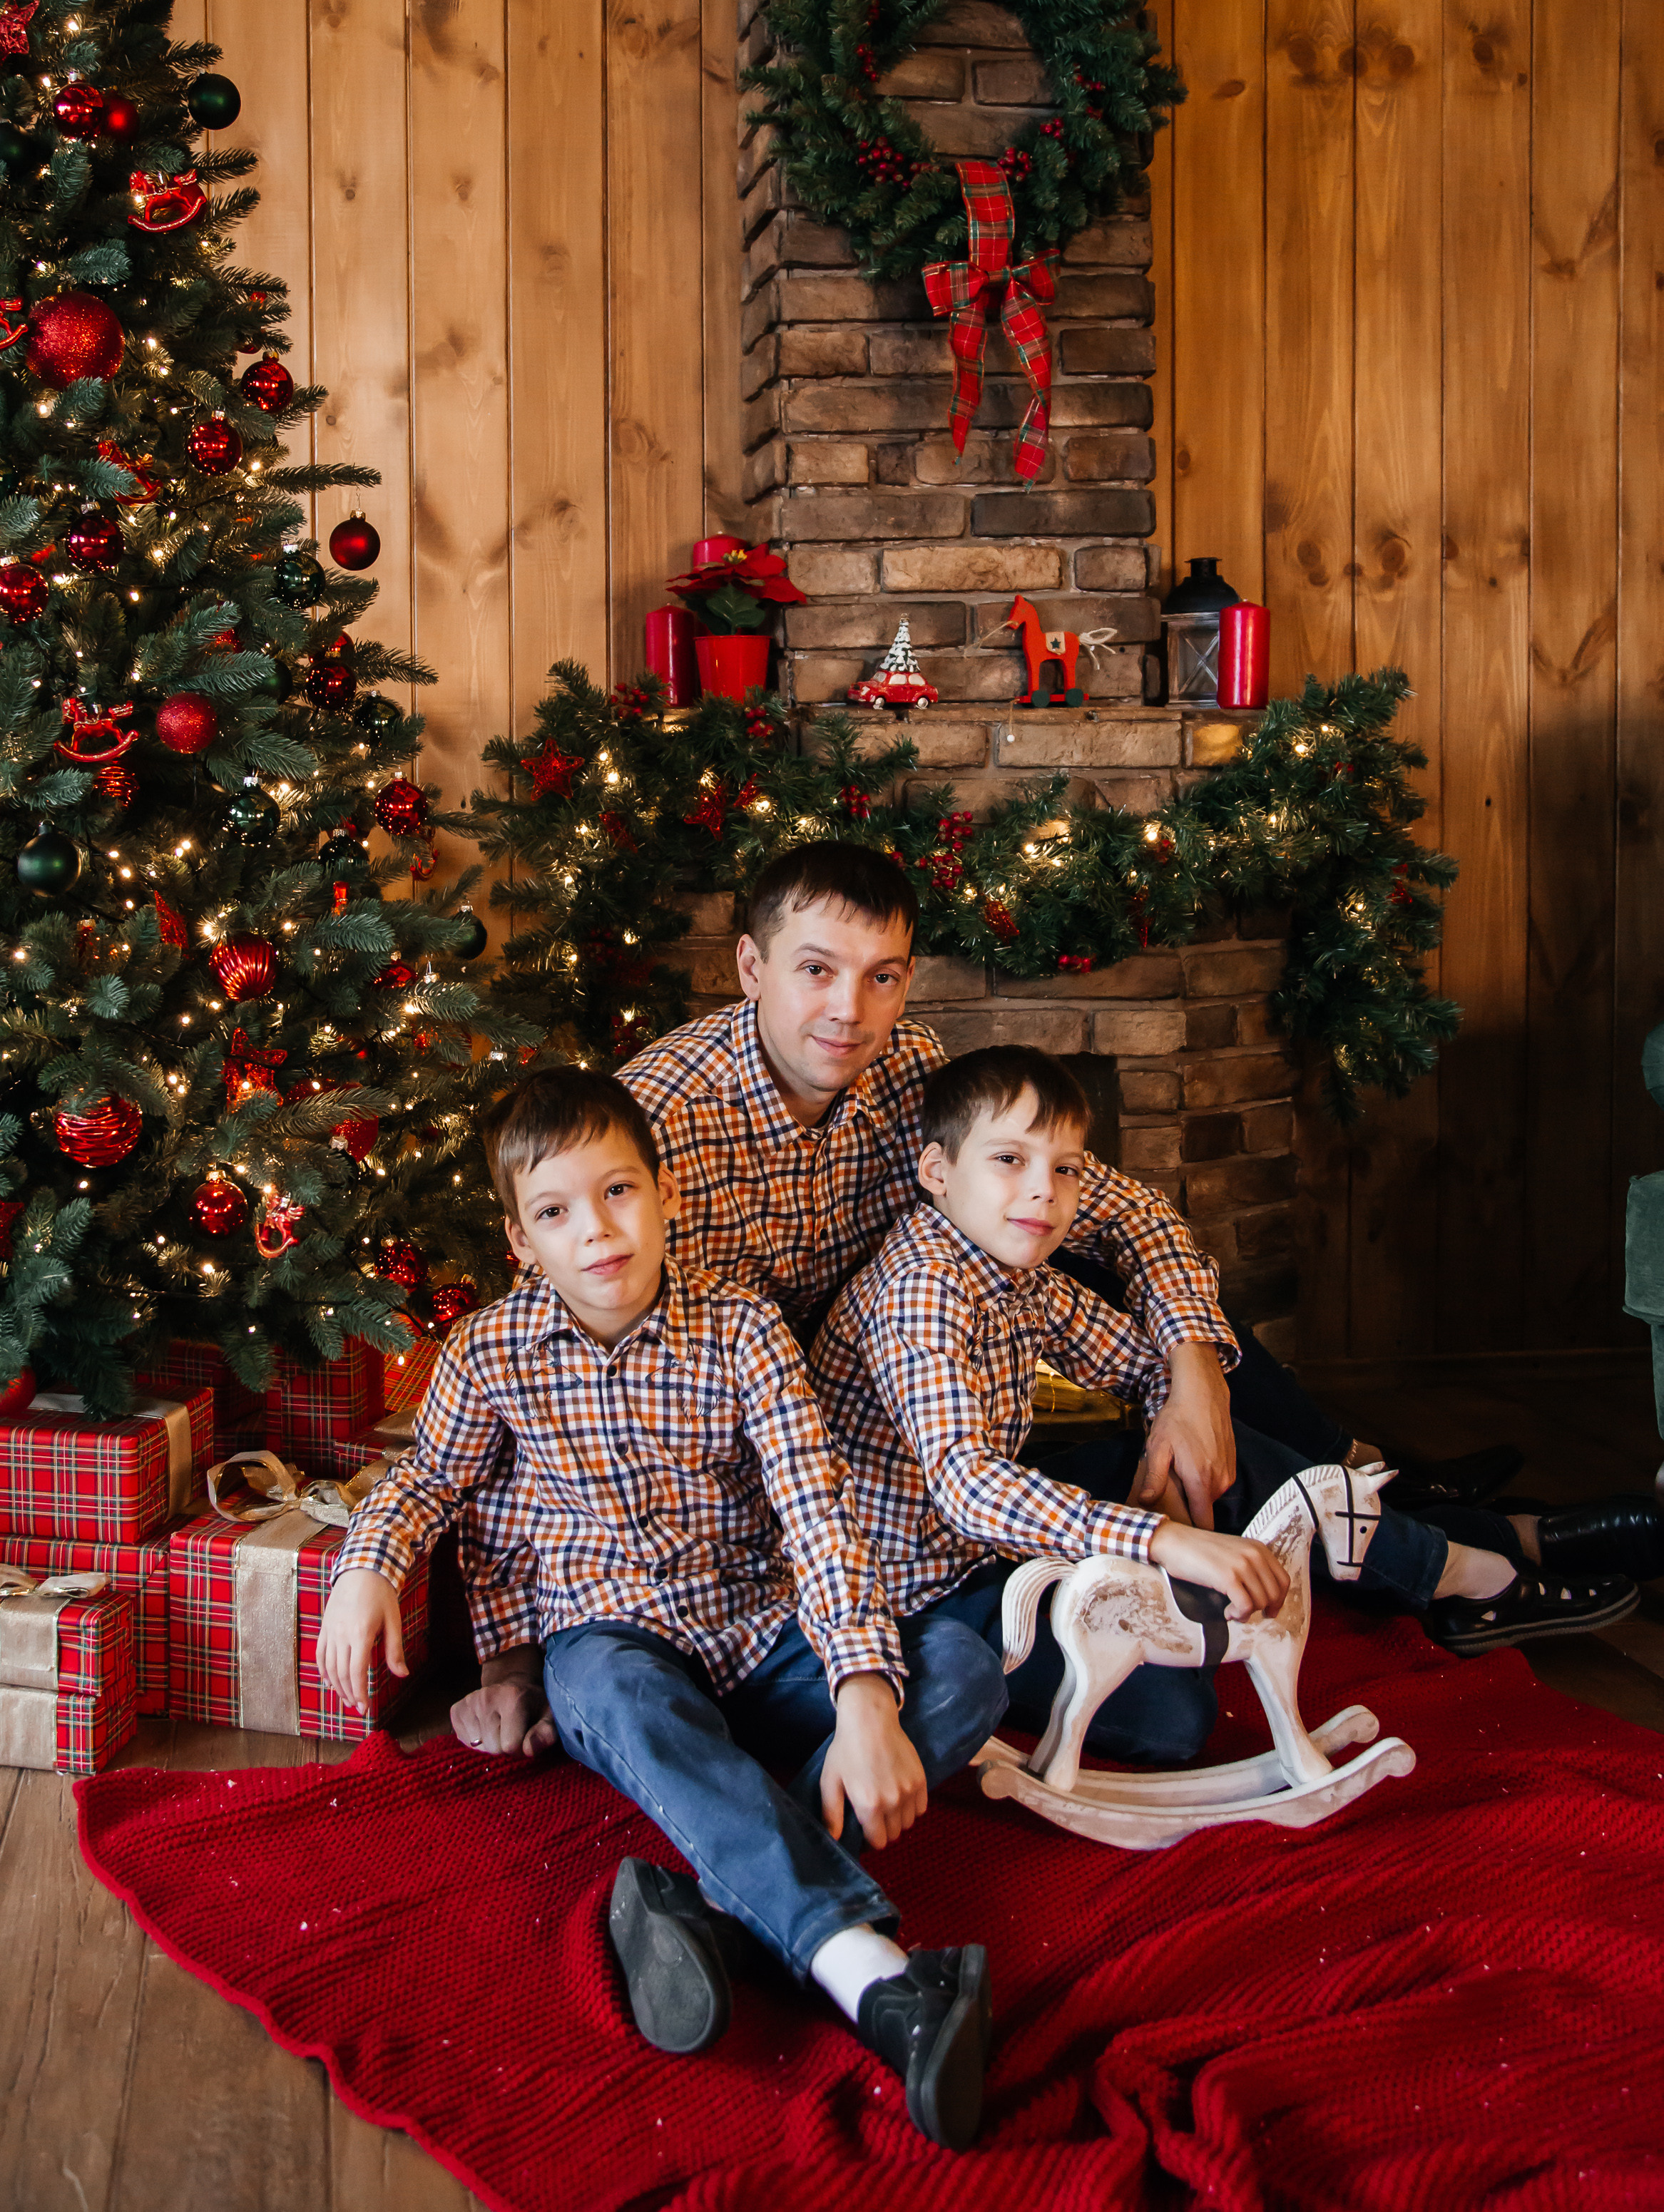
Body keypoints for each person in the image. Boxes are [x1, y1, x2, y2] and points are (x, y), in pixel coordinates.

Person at [450, 843, 1519, 1749]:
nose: (848, 1011)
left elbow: (1120, 1208)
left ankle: (1393, 1516)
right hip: (806, 1485)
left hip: (942, 1405)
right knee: (1166, 1712)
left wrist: (1191, 1374)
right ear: (750, 967)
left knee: (1072, 1245)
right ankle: (1397, 1525)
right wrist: (513, 1656)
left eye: (883, 976)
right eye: (816, 970)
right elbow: (535, 1373)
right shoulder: (649, 1129)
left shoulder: (912, 1075)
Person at [318, 1068, 1004, 2151]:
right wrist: (366, 1566)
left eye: (618, 1193)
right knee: (611, 1688)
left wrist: (865, 1695)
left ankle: (707, 1910)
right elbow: (420, 1483)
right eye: (556, 1213)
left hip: (754, 1629)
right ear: (519, 1243)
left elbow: (816, 1514)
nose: (595, 1232)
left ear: (665, 1193)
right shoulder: (489, 1353)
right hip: (616, 1647)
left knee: (964, 1669)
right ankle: (876, 1978)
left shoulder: (741, 1330)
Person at [807, 1046, 1639, 1763]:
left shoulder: (1012, 1273)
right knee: (1176, 1723)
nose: (1044, 1193)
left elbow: (1141, 1365)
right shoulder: (921, 1286)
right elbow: (970, 1485)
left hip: (996, 1543)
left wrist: (1175, 1423)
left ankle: (1456, 1574)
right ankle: (1433, 1566)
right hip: (924, 1591)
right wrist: (1170, 1538)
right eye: (1009, 1160)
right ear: (936, 1170)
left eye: (1063, 1167)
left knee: (1217, 1443)